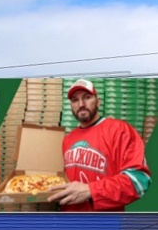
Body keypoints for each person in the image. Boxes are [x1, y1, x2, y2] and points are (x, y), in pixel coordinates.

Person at [46, 78, 150, 212]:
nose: (81, 104)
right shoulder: (68, 139)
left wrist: (91, 190)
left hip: (104, 226)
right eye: (75, 100)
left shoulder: (120, 130)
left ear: (98, 101)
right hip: (69, 224)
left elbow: (139, 180)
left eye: (87, 97)